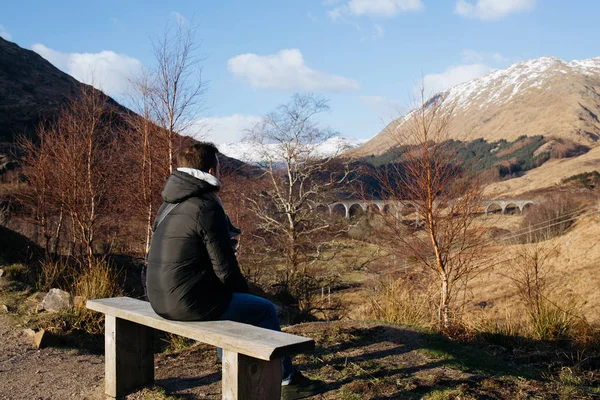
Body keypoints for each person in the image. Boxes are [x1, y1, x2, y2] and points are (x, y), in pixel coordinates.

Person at [146, 142, 321, 399]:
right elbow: (225, 270)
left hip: (158, 300)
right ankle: (287, 381)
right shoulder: (206, 207)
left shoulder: (168, 203)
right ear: (210, 170)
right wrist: (243, 291)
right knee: (263, 309)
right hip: (186, 303)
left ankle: (227, 354)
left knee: (226, 301)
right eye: (219, 168)